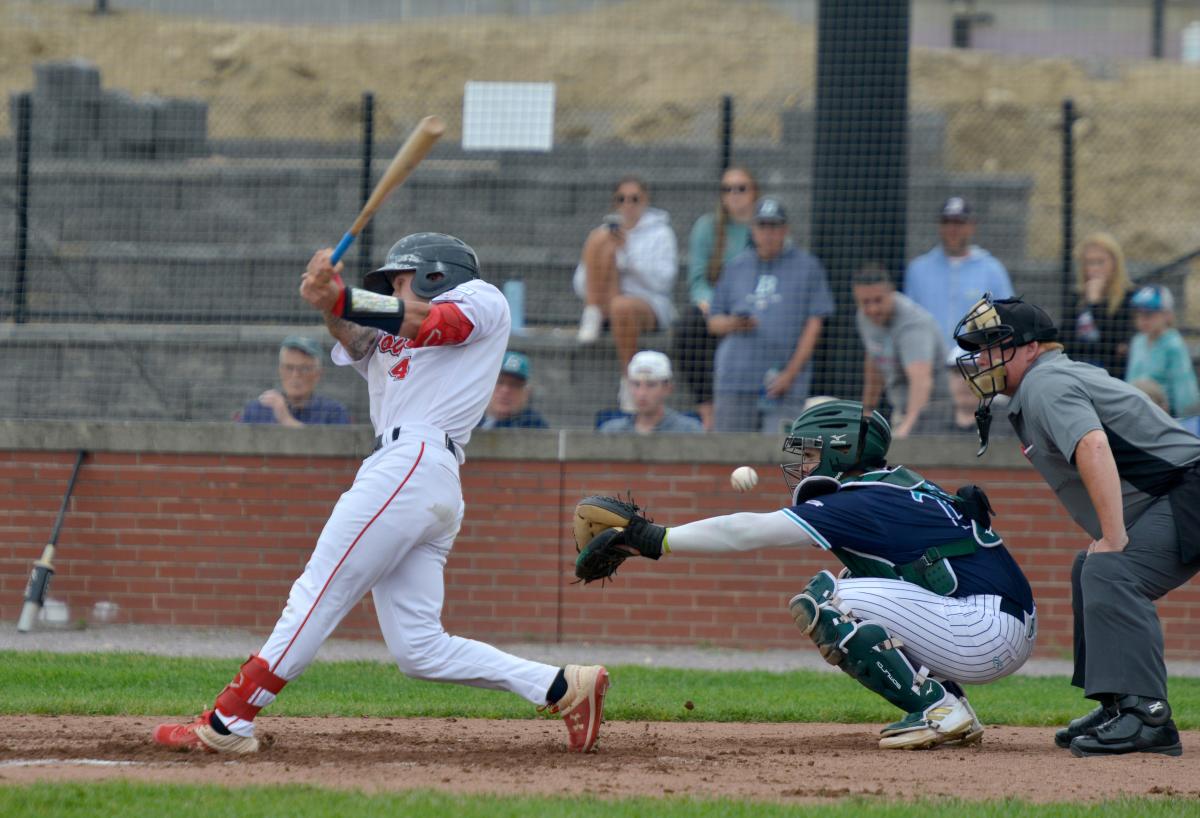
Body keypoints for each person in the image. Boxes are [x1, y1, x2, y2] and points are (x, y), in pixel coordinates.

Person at [154, 233, 608, 755]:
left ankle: (227, 722)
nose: (393, 288)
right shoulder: (391, 326)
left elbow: (432, 324)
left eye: (402, 278)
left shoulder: (481, 299)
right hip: (414, 474)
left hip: (415, 460)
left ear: (438, 274)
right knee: (419, 649)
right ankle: (561, 686)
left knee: (318, 589)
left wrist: (343, 296)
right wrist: (328, 301)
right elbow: (355, 338)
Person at [580, 399, 1035, 750]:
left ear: (840, 451)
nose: (800, 463)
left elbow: (746, 532)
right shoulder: (893, 484)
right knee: (851, 581)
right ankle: (954, 710)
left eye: (810, 451)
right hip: (994, 624)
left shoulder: (861, 499)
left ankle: (937, 709)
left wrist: (652, 537)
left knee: (828, 598)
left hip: (983, 629)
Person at [954, 294, 1199, 757]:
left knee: (1111, 569)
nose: (982, 359)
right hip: (1178, 491)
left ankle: (1147, 716)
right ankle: (1119, 705)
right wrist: (1109, 538)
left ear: (1031, 347)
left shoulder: (1046, 383)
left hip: (1191, 490)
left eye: (992, 345)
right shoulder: (1043, 382)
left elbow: (1093, 446)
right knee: (1090, 566)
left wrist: (1114, 535)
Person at [708, 197, 833, 434]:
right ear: (752, 230)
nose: (768, 233)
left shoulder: (807, 267)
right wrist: (734, 323)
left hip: (784, 383)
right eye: (762, 226)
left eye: (774, 226)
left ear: (785, 229)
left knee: (781, 459)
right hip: (735, 379)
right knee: (732, 456)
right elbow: (713, 322)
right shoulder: (735, 267)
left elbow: (815, 323)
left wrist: (790, 374)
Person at [904, 196, 1013, 431]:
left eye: (959, 222)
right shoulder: (918, 269)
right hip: (931, 375)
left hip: (977, 371)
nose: (953, 229)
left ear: (971, 226)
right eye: (947, 222)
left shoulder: (991, 269)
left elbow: (1008, 321)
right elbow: (909, 325)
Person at [573, 176, 678, 411]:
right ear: (615, 203)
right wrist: (606, 258)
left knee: (621, 305)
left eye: (634, 199)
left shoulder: (661, 234)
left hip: (648, 302)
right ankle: (593, 312)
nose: (628, 205)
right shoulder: (604, 234)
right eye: (622, 199)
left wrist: (627, 255)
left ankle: (629, 380)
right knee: (599, 239)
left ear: (645, 200)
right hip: (607, 300)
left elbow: (663, 282)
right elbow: (580, 284)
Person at [672, 166, 759, 430]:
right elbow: (698, 280)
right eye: (727, 189)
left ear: (754, 193)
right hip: (715, 305)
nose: (734, 195)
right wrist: (714, 305)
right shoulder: (707, 227)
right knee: (689, 327)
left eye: (741, 188)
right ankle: (707, 410)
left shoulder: (766, 227)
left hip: (753, 305)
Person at [853, 263, 952, 438]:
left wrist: (907, 429)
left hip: (937, 412)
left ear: (891, 292)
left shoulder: (913, 324)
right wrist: (867, 412)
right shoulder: (864, 317)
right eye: (865, 302)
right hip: (902, 408)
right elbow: (874, 359)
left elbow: (921, 380)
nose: (872, 309)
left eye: (878, 300)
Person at [1059, 233, 1136, 380]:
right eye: (1089, 263)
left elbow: (1114, 343)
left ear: (1114, 263)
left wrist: (1095, 304)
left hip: (1111, 375)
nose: (1094, 268)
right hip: (1076, 372)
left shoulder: (1128, 297)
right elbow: (1065, 341)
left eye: (1100, 262)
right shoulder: (1077, 298)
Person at [1124, 284, 1200, 424]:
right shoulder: (1138, 341)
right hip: (1135, 412)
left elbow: (1184, 390)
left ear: (1167, 315)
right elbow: (1131, 380)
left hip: (1166, 416)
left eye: (1149, 314)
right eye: (1139, 314)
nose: (1143, 319)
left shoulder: (1173, 344)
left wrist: (1186, 421)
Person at [236, 335, 350, 426]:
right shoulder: (258, 410)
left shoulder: (333, 413)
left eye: (304, 369)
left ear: (318, 374)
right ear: (280, 370)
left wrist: (286, 419)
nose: (295, 375)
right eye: (289, 368)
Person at [598, 350, 703, 435]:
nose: (642, 393)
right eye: (636, 384)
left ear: (667, 388)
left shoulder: (689, 430)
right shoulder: (610, 431)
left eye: (651, 385)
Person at [477, 350, 549, 430]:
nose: (505, 390)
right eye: (499, 382)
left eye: (514, 385)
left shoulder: (533, 425)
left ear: (526, 393)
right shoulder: (470, 416)